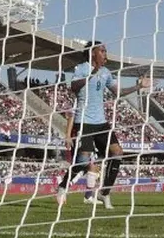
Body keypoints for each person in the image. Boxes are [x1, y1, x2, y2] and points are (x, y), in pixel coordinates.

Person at [56, 42, 151, 209]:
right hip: (84, 121)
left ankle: (104, 192)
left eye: (105, 50)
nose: (106, 53)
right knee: (84, 160)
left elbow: (118, 93)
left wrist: (138, 86)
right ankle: (63, 186)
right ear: (93, 53)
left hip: (101, 123)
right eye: (102, 50)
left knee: (117, 152)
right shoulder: (82, 68)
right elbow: (73, 87)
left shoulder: (106, 72)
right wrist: (91, 73)